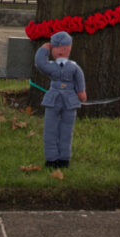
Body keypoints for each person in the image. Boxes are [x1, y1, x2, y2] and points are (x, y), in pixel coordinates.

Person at [34, 31, 86, 168]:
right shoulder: (51, 66)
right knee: (50, 129)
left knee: (66, 130)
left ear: (69, 48)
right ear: (53, 48)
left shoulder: (74, 67)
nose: (61, 51)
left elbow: (79, 80)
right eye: (57, 48)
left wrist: (81, 92)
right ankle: (51, 158)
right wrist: (44, 48)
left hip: (70, 101)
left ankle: (64, 158)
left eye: (64, 48)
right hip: (53, 99)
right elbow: (40, 64)